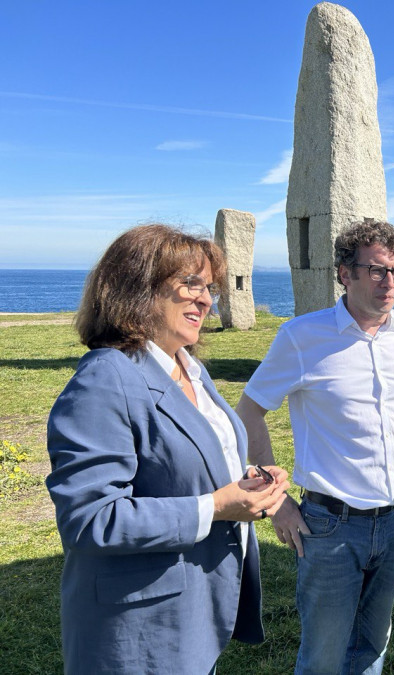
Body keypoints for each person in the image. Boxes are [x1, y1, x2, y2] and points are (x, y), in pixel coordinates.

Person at [45, 224, 290, 674]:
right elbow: (89, 519)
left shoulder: (189, 368)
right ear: (137, 289)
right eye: (190, 285)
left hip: (191, 616)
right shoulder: (106, 378)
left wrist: (251, 480)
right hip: (138, 633)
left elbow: (190, 461)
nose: (206, 300)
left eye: (209, 287)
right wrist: (216, 506)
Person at [236, 219, 394, 674]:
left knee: (372, 645)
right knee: (324, 656)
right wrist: (276, 500)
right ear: (344, 274)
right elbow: (249, 412)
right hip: (328, 526)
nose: (389, 283)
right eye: (375, 270)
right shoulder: (301, 337)